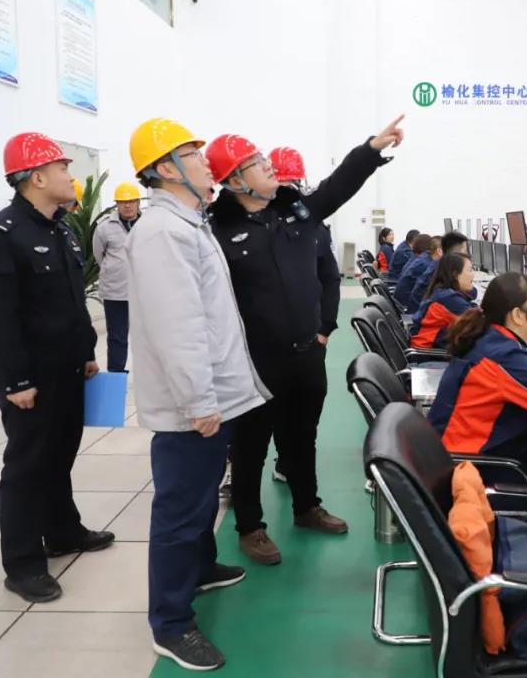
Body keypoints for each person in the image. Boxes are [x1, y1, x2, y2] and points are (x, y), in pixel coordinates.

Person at [206, 115, 405, 566]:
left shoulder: (294, 210)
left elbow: (338, 187)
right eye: (256, 163)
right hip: (255, 362)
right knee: (250, 447)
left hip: (305, 353)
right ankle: (250, 526)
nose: (268, 166)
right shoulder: (216, 231)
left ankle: (306, 506)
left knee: (302, 436)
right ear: (235, 181)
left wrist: (371, 149)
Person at [127, 117, 270, 671]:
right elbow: (178, 327)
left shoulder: (188, 222)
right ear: (166, 169)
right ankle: (170, 623)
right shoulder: (163, 233)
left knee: (203, 496)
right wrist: (198, 402)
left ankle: (201, 568)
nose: (207, 161)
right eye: (193, 153)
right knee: (180, 511)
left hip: (212, 395)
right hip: (192, 406)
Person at [0, 132, 113, 605]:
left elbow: (73, 302)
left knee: (60, 454)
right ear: (37, 177)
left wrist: (87, 351)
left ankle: (63, 531)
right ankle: (23, 563)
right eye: (63, 168)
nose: (71, 177)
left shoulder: (61, 230)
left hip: (69, 368)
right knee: (27, 466)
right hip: (31, 377)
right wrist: (16, 380)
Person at [427, 272, 527, 479]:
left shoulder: (490, 338)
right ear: (517, 316)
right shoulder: (504, 357)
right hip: (468, 471)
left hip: (456, 455)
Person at [264, 146, 343, 485]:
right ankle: (284, 460)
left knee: (309, 404)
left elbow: (330, 278)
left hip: (310, 339)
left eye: (293, 184)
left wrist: (324, 329)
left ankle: (297, 465)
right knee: (274, 407)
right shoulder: (257, 226)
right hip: (267, 342)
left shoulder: (314, 227)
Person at [91, 182, 142, 373]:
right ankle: (116, 374)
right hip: (115, 293)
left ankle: (150, 376)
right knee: (117, 337)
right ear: (117, 204)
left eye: (131, 201)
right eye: (122, 202)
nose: (127, 205)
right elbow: (99, 255)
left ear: (138, 202)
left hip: (144, 292)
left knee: (148, 337)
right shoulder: (104, 228)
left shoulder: (147, 225)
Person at [409, 252, 476, 350]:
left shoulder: (443, 292)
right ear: (455, 274)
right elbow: (481, 323)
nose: (473, 275)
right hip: (429, 355)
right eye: (470, 270)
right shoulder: (450, 298)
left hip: (430, 350)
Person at [408, 231, 470, 312]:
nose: (467, 256)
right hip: (416, 312)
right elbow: (468, 296)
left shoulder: (439, 264)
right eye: (465, 252)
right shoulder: (442, 271)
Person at [395, 235, 442, 313]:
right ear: (439, 251)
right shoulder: (426, 265)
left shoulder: (425, 258)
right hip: (408, 307)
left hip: (405, 304)